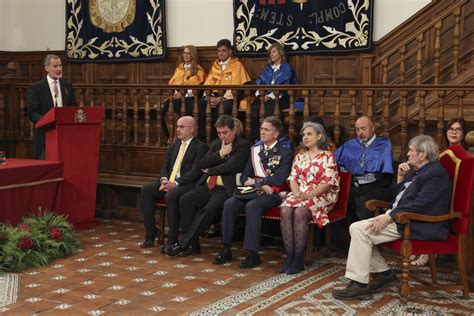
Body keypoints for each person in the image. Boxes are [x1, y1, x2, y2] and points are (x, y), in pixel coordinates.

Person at [332, 135, 452, 301]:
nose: (408, 154)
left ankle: (359, 284)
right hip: (401, 217)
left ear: (422, 154)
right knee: (356, 228)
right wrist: (401, 177)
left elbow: (420, 204)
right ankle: (384, 273)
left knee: (359, 230)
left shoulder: (435, 174)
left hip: (416, 222)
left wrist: (389, 216)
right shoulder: (418, 171)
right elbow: (396, 196)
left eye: (411, 150)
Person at [213, 116, 293, 269]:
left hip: (273, 194)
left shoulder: (285, 153)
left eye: (266, 130)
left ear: (276, 134)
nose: (262, 132)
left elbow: (279, 179)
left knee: (252, 206)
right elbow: (244, 176)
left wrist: (256, 182)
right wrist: (260, 184)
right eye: (261, 128)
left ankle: (252, 253)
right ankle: (226, 248)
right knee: (229, 203)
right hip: (253, 191)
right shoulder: (254, 150)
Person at [166, 115, 250, 257]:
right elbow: (200, 163)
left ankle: (183, 244)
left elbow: (231, 166)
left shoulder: (243, 145)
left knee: (208, 209)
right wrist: (221, 154)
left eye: (225, 133)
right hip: (208, 186)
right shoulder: (217, 144)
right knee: (186, 199)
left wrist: (209, 169)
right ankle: (192, 246)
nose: (222, 136)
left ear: (234, 130)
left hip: (225, 189)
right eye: (219, 133)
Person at [279, 122, 340, 274]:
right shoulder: (300, 156)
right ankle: (290, 257)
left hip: (321, 195)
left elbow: (328, 182)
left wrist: (309, 195)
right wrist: (298, 193)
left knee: (300, 211)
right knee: (286, 209)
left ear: (319, 136)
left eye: (309, 134)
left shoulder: (328, 156)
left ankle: (299, 259)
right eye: (303, 135)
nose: (305, 137)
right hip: (301, 193)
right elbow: (293, 178)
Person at [139, 116, 208, 250]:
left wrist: (175, 183)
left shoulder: (201, 147)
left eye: (181, 127)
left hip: (187, 184)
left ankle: (172, 238)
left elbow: (195, 172)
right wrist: (164, 180)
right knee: (146, 190)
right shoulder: (174, 145)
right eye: (177, 126)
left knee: (171, 195)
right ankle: (151, 231)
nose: (177, 130)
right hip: (169, 181)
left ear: (192, 129)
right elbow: (165, 167)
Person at [411, 117, 468, 267]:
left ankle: (427, 252)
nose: (454, 132)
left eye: (458, 129)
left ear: (463, 133)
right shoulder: (439, 152)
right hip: (439, 191)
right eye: (451, 129)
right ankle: (421, 248)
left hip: (457, 196)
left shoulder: (467, 155)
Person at [334, 116, 393, 223]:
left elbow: (385, 173)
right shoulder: (350, 145)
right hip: (353, 184)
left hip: (376, 185)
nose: (360, 133)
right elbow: (335, 162)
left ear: (373, 127)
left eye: (363, 129)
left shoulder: (384, 144)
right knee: (339, 200)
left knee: (363, 202)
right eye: (357, 129)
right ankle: (343, 239)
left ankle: (363, 236)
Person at [198, 39, 251, 140]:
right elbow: (207, 84)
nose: (220, 53)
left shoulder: (237, 65)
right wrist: (208, 98)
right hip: (213, 97)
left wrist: (220, 99)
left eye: (223, 50)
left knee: (224, 107)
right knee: (200, 104)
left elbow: (238, 88)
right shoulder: (215, 66)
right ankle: (204, 137)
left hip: (229, 97)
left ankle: (218, 137)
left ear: (230, 52)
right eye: (219, 51)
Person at [27, 54, 78, 159]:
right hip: (45, 136)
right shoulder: (37, 88)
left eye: (60, 65)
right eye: (55, 66)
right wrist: (48, 121)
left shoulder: (67, 85)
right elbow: (32, 113)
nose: (59, 69)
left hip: (65, 136)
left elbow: (73, 108)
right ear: (47, 68)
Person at [251, 43, 299, 139]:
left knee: (269, 108)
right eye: (270, 53)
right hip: (264, 98)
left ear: (280, 53)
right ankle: (256, 137)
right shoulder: (268, 68)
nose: (271, 54)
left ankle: (272, 137)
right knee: (254, 108)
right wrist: (261, 95)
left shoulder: (286, 68)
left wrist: (270, 96)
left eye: (274, 52)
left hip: (281, 98)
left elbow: (286, 85)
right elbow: (259, 82)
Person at [162, 45, 206, 138]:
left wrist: (183, 94)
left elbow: (197, 87)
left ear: (193, 55)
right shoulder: (179, 69)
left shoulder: (198, 69)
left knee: (176, 107)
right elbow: (173, 83)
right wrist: (174, 93)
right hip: (176, 96)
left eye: (188, 53)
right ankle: (171, 135)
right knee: (166, 107)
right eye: (184, 53)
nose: (185, 55)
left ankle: (180, 135)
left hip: (190, 98)